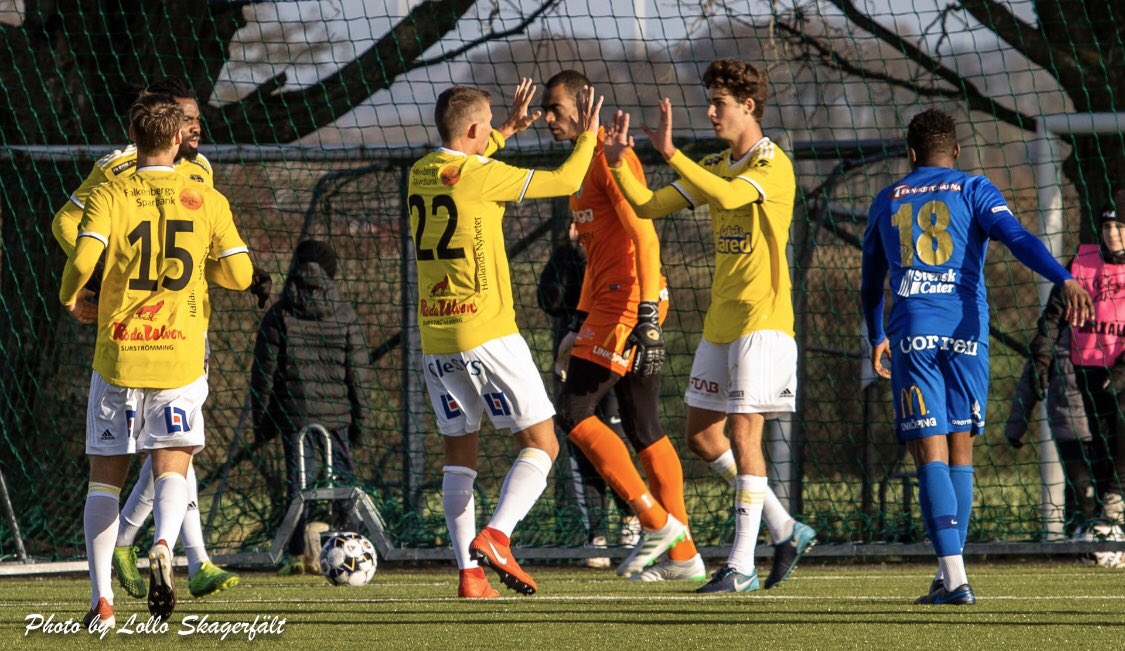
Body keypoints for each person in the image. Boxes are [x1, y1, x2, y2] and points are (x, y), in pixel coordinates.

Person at [860, 108, 1093, 604]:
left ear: (911, 154)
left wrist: (876, 334)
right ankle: (949, 576)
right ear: (957, 151)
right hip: (968, 331)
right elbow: (1018, 238)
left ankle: (955, 579)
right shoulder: (975, 188)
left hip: (914, 332)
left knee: (929, 451)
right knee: (960, 451)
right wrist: (1064, 277)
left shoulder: (887, 198)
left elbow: (870, 282)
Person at [603, 59, 817, 593]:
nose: (710, 112)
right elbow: (648, 205)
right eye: (710, 101)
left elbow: (728, 196)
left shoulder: (772, 163)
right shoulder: (717, 163)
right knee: (701, 435)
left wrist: (671, 153)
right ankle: (785, 527)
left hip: (763, 320)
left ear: (749, 106)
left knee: (744, 433)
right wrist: (618, 164)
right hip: (721, 322)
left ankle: (741, 565)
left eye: (719, 103)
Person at [50, 78, 266, 602]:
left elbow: (81, 250)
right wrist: (201, 269)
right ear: (173, 134)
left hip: (120, 350)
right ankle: (166, 544)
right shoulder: (202, 194)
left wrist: (74, 294)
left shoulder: (114, 193)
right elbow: (240, 274)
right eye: (187, 119)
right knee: (174, 459)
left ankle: (102, 601)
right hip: (180, 349)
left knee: (105, 479)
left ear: (135, 131)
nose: (194, 127)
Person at [408, 79, 601, 598]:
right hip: (487, 331)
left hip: (437, 338)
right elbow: (566, 179)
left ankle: (469, 576)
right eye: (490, 123)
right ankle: (497, 535)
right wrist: (588, 134)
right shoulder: (480, 175)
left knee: (458, 457)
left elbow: (463, 160)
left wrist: (506, 131)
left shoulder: (419, 173)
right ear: (474, 128)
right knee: (542, 444)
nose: (494, 128)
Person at [541, 70, 701, 581]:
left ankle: (655, 523)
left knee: (574, 410)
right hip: (610, 302)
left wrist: (647, 317)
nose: (547, 117)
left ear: (583, 105)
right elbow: (598, 255)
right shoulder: (580, 163)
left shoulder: (610, 158)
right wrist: (580, 320)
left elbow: (645, 236)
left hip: (630, 301)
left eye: (554, 107)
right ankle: (685, 556)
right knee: (643, 425)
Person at [249, 239, 372, 573]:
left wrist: (262, 425)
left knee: (298, 486)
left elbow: (263, 375)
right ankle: (350, 546)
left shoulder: (280, 314)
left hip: (295, 416)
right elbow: (358, 374)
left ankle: (295, 554)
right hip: (338, 416)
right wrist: (361, 424)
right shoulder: (344, 313)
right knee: (343, 483)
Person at [536, 220, 639, 568]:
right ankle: (596, 535)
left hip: (613, 358)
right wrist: (567, 250)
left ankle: (631, 517)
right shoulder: (571, 256)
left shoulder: (619, 251)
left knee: (613, 439)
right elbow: (549, 300)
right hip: (576, 361)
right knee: (582, 443)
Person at [1029, 198, 1125, 529]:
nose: (1112, 233)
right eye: (1107, 226)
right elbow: (1054, 315)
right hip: (1089, 366)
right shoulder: (1083, 261)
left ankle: (1116, 497)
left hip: (1121, 370)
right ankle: (1103, 522)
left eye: (1120, 227)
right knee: (1099, 440)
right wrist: (1042, 357)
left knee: (1121, 427)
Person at [1005, 328, 1092, 532]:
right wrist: (1015, 427)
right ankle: (1077, 536)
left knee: (1106, 488)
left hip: (1108, 426)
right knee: (1080, 487)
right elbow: (1029, 379)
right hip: (1070, 426)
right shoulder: (1054, 333)